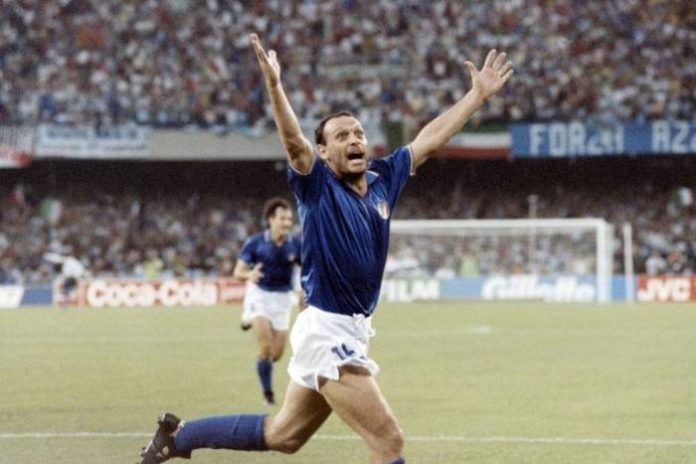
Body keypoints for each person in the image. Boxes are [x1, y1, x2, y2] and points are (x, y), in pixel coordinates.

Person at [138, 32, 513, 464]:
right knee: (388, 442)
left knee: (284, 434)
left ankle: (178, 437)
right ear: (323, 150)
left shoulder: (383, 179)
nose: (354, 140)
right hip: (326, 333)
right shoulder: (317, 185)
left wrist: (476, 97)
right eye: (341, 136)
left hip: (352, 330)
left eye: (358, 133)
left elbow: (428, 140)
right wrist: (275, 86)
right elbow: (293, 143)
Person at [233, 197, 301, 406]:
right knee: (265, 348)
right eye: (282, 218)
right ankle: (268, 394)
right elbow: (238, 272)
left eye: (289, 219)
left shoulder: (295, 244)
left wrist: (304, 293)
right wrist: (249, 274)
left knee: (276, 354)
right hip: (259, 295)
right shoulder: (255, 242)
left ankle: (248, 318)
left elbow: (307, 270)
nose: (287, 223)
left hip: (282, 299)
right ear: (271, 219)